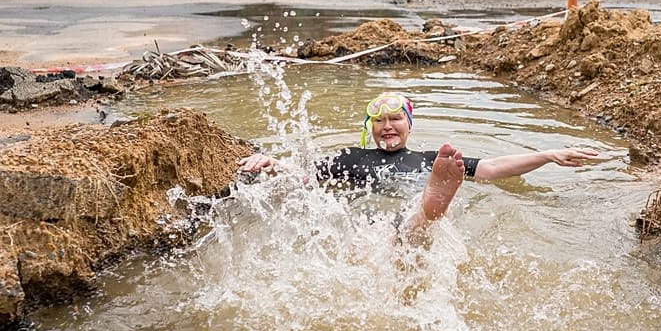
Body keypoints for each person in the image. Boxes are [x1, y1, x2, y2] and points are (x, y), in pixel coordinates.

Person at [238, 91, 599, 238]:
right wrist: (272, 163)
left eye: (396, 119)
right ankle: (429, 210)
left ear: (410, 124)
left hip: (415, 204)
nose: (387, 126)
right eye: (379, 121)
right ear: (370, 127)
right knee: (378, 235)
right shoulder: (350, 158)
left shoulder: (431, 160)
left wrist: (547, 155)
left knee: (417, 228)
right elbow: (305, 178)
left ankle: (430, 208)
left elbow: (490, 168)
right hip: (371, 220)